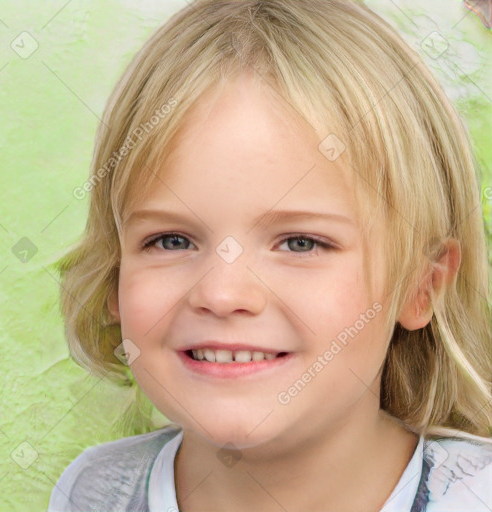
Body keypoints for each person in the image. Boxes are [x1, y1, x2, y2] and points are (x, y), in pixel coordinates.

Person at [47, 1, 492, 510]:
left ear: (422, 285)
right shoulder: (91, 491)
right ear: (114, 278)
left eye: (301, 243)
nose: (222, 293)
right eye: (171, 240)